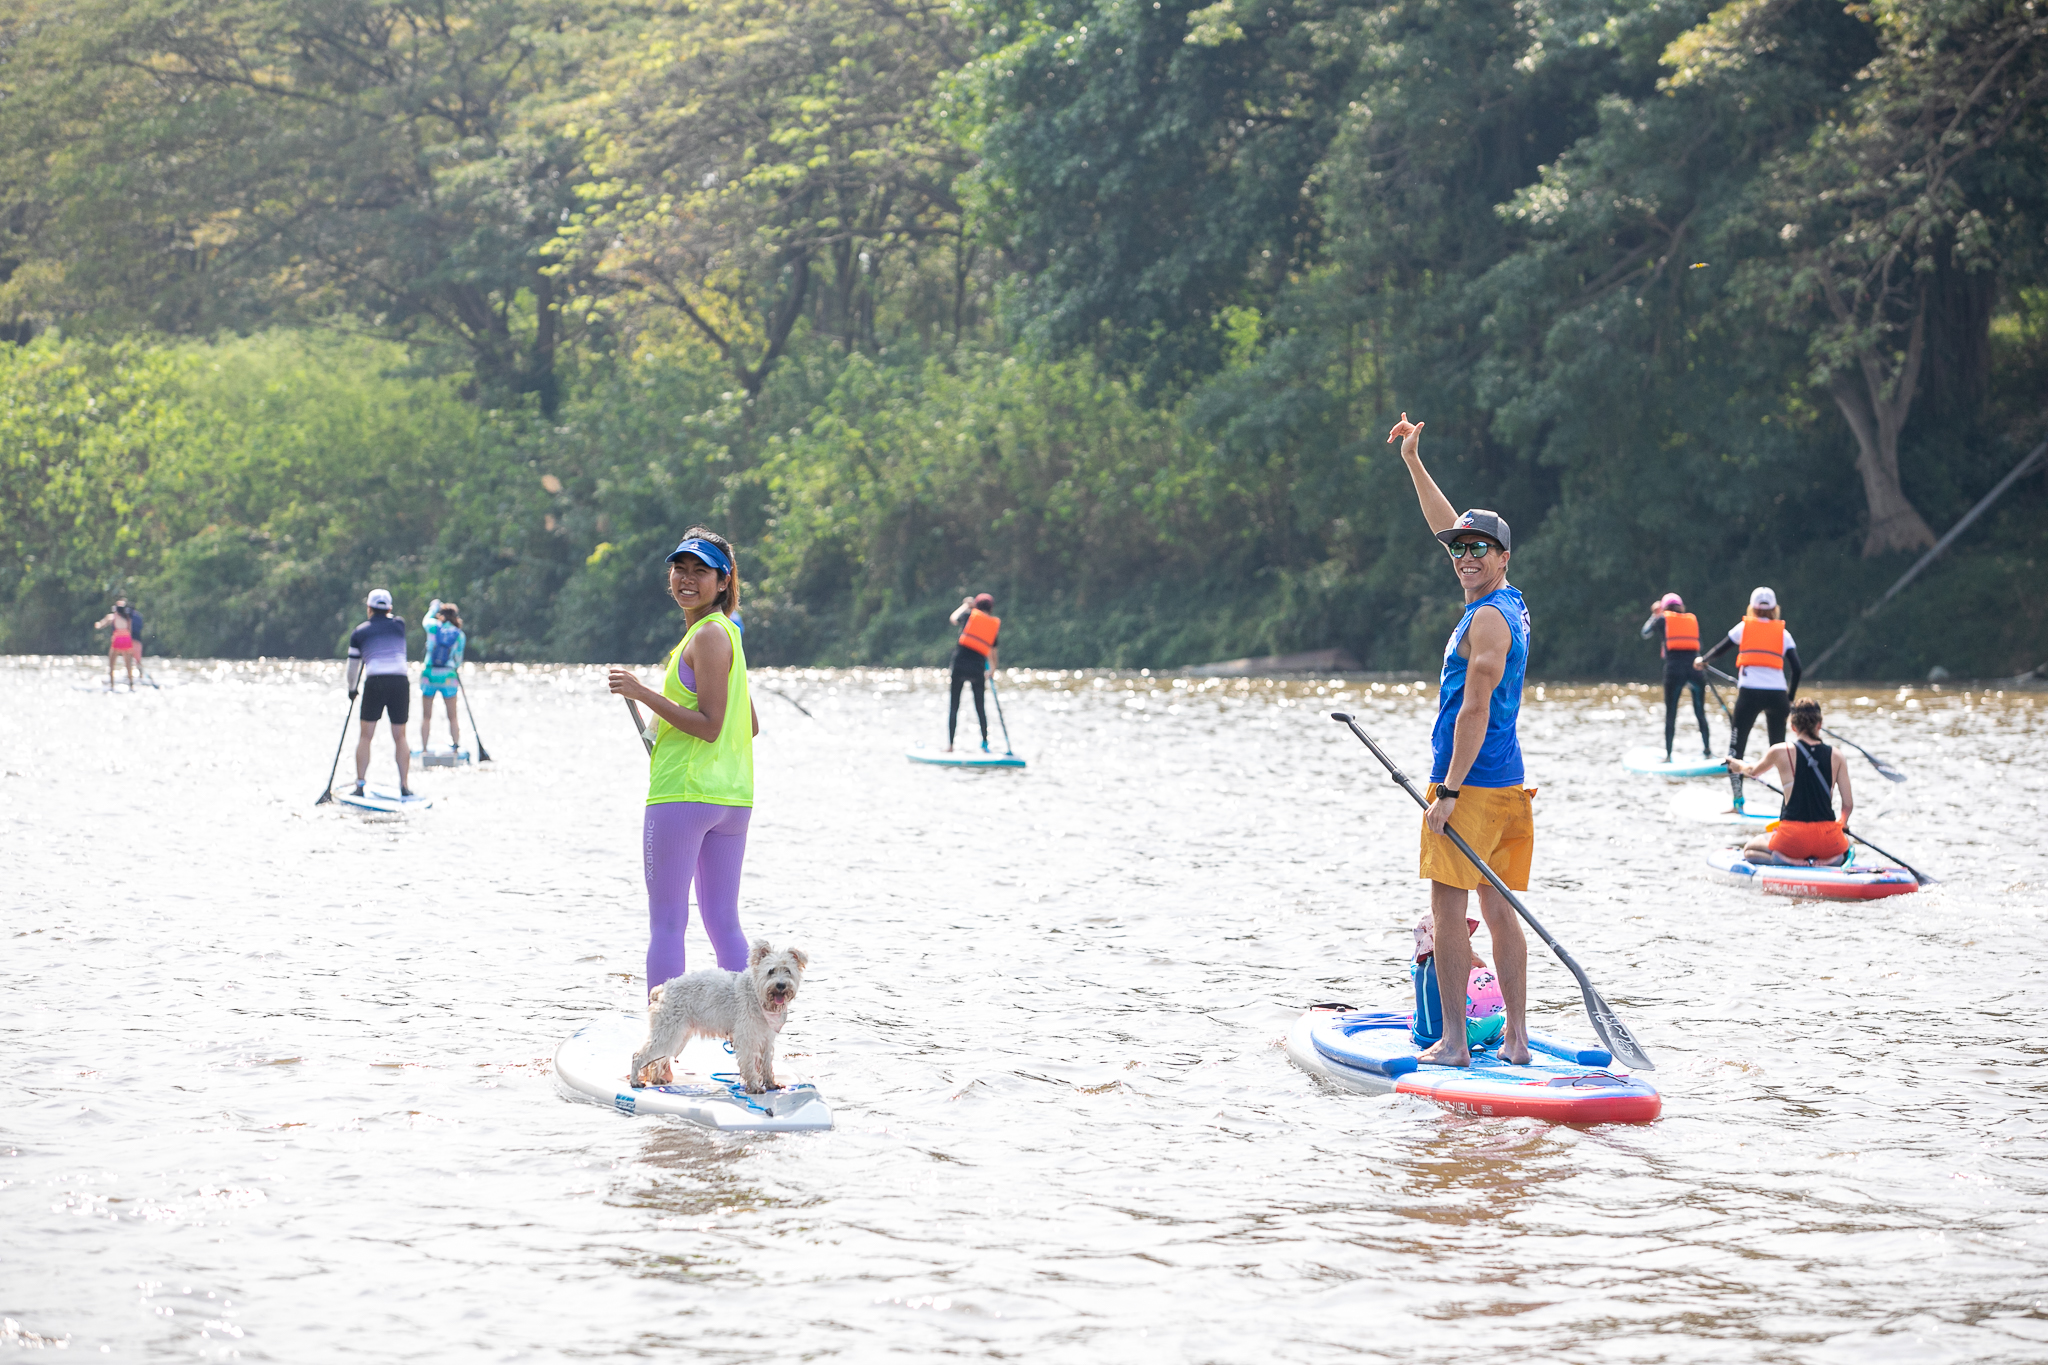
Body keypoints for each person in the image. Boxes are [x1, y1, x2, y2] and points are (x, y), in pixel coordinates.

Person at [1389, 412, 1534, 1068]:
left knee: (1449, 910)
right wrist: (1414, 461)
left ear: (1504, 556)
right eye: (1460, 548)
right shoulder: (1509, 603)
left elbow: (1475, 708)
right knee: (1500, 910)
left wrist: (1446, 790)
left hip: (1470, 784)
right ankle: (1517, 1040)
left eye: (1480, 548)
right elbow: (1446, 524)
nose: (1466, 556)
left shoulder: (1487, 625)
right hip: (1508, 784)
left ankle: (1453, 1043)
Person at [607, 527, 762, 997]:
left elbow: (712, 724)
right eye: (680, 568)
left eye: (701, 571)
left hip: (683, 796)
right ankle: (748, 1041)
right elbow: (747, 722)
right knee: (722, 923)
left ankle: (660, 1051)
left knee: (668, 926)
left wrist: (641, 693)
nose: (687, 579)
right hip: (731, 799)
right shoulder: (727, 634)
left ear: (723, 581)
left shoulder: (709, 637)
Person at [1697, 586, 1801, 812]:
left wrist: (1702, 660)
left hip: (1750, 695)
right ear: (1775, 609)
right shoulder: (1783, 633)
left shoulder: (1744, 627)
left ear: (1752, 608)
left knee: (1736, 751)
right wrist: (1790, 700)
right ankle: (1789, 808)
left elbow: (1720, 649)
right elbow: (1797, 669)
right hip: (1778, 698)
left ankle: (1737, 803)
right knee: (1781, 752)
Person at [1725, 699, 1853, 865]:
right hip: (1827, 837)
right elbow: (1848, 804)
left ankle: (1788, 860)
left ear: (1793, 727)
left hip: (1792, 838)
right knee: (1848, 847)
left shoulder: (1779, 751)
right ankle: (1831, 860)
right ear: (1819, 724)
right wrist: (1842, 823)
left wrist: (1738, 765)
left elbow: (1752, 771)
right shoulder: (1837, 755)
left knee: (1750, 850)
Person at [347, 588, 413, 799]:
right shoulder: (399, 625)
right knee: (400, 736)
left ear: (369, 608)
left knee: (366, 736)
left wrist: (351, 690)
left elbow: (352, 669)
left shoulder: (359, 632)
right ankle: (404, 785)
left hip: (375, 681)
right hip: (400, 682)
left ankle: (360, 784)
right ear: (390, 608)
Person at [1641, 592, 1710, 761]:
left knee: (1671, 713)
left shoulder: (1662, 618)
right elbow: (1699, 644)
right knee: (1700, 712)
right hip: (1695, 669)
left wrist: (1655, 615)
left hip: (1674, 670)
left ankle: (1669, 755)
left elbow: (1645, 632)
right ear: (1681, 607)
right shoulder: (1691, 619)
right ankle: (1708, 750)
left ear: (1664, 608)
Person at [946, 592, 1000, 752]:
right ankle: (984, 744)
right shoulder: (992, 624)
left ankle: (950, 746)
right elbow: (992, 653)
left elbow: (953, 618)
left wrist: (965, 605)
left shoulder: (969, 615)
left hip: (959, 665)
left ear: (976, 606)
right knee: (980, 707)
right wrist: (993, 670)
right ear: (991, 609)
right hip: (977, 669)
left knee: (954, 706)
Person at [418, 599, 465, 752]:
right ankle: (456, 748)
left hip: (429, 674)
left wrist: (433, 608)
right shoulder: (459, 634)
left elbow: (425, 619)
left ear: (440, 615)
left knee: (426, 716)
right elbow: (458, 660)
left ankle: (424, 748)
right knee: (452, 716)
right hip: (448, 676)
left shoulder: (432, 626)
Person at [92, 597, 144, 690]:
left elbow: (101, 624)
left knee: (112, 663)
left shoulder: (112, 617)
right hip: (127, 640)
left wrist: (97, 625)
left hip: (117, 639)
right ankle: (131, 684)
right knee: (128, 663)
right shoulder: (128, 618)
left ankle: (112, 685)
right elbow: (130, 631)